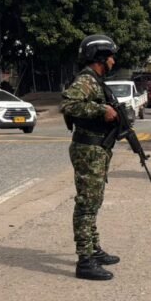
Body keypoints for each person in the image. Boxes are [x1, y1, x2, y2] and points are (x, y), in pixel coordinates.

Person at [60, 34, 122, 281]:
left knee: (94, 201)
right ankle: (85, 260)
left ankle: (94, 250)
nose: (113, 62)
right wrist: (101, 110)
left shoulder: (96, 81)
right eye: (110, 57)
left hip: (97, 149)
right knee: (87, 203)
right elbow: (68, 105)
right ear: (100, 58)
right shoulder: (86, 80)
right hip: (88, 149)